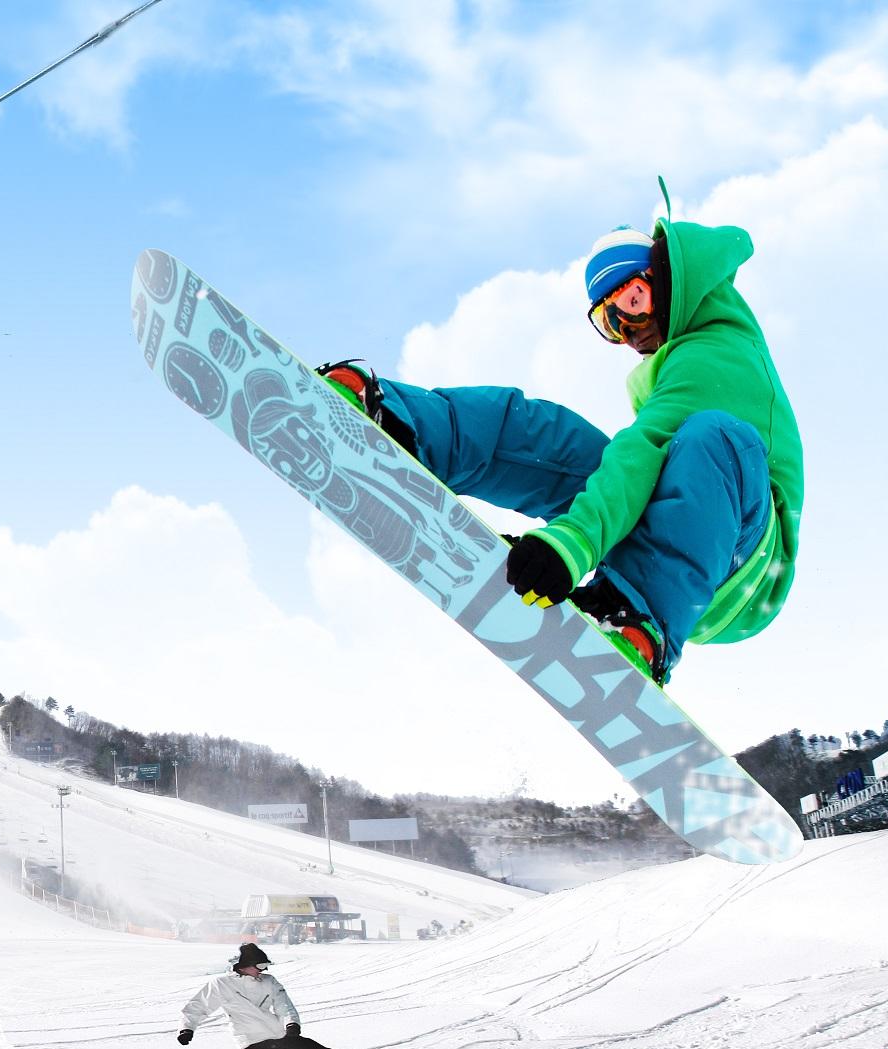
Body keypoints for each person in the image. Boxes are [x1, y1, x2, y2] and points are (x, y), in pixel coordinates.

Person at [318, 202, 801, 686]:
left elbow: (644, 449)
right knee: (551, 434)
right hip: (683, 536)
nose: (630, 334)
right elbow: (637, 462)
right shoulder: (678, 358)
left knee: (711, 439)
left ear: (669, 278)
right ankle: (400, 421)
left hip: (748, 569)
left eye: (633, 302)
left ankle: (638, 623)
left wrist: (573, 543)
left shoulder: (717, 354)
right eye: (610, 323)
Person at [176, 943, 388, 1049]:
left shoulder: (269, 981)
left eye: (265, 965)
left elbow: (283, 1004)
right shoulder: (221, 984)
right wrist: (187, 1029)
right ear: (244, 965)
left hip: (282, 1036)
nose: (263, 970)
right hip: (254, 1043)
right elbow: (198, 1006)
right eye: (259, 965)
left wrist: (291, 1024)